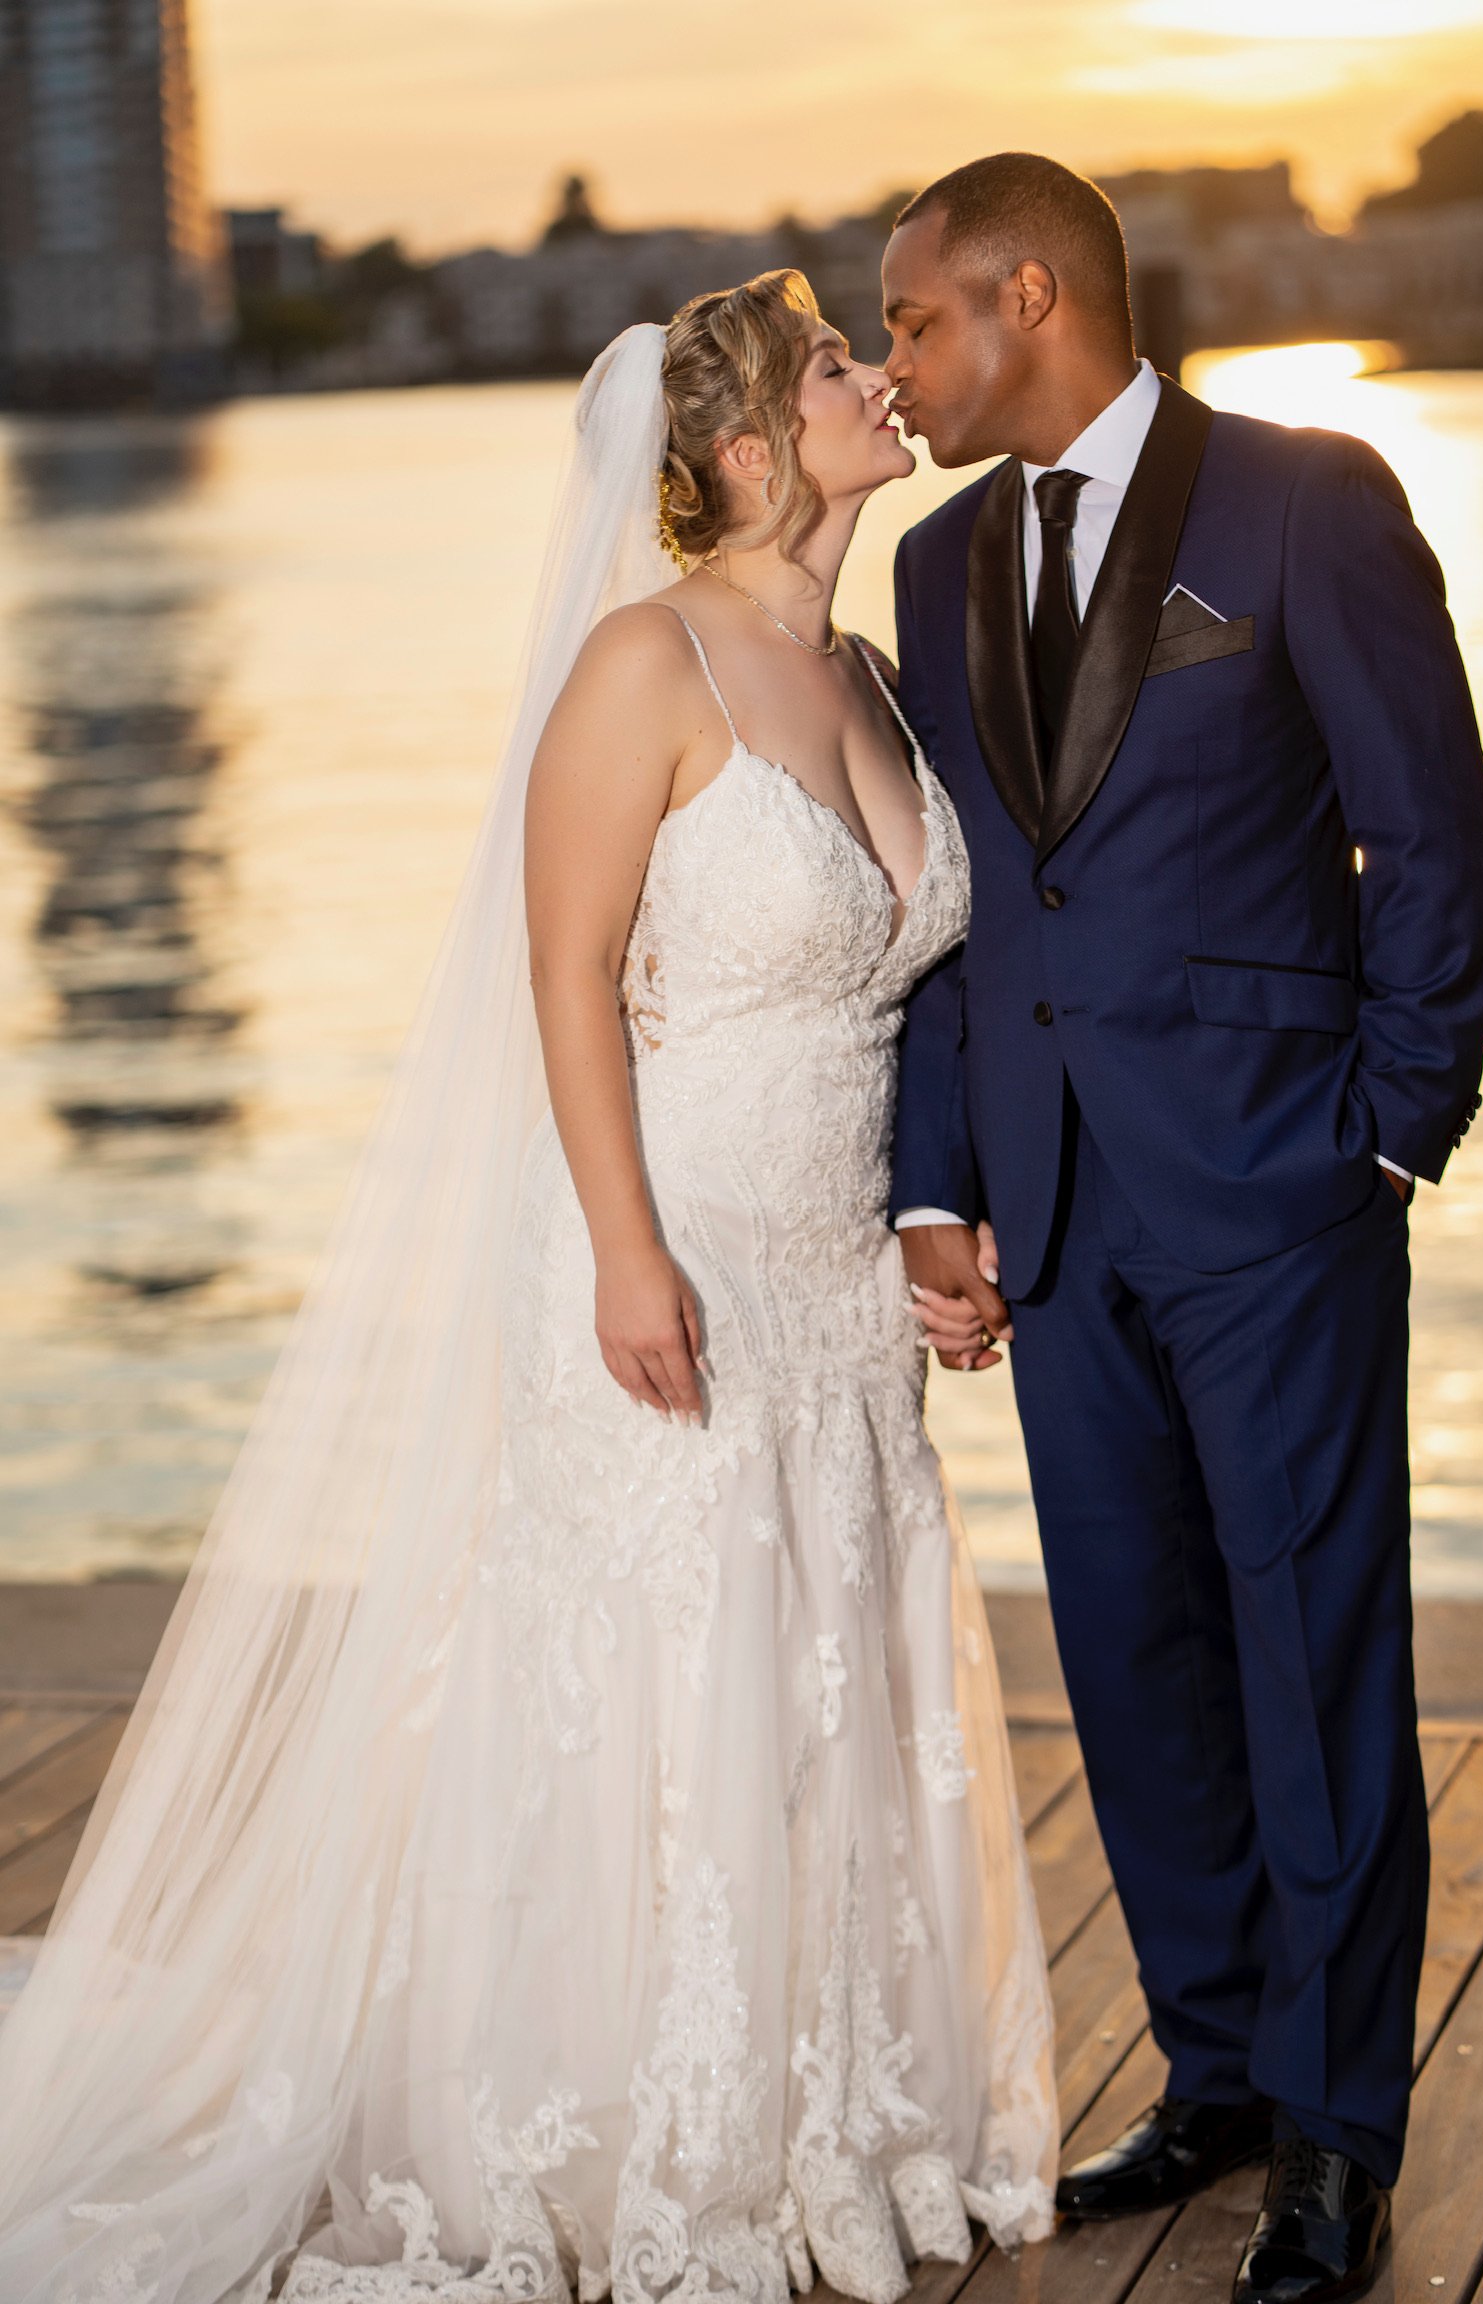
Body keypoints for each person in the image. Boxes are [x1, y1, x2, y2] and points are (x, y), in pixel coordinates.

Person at [0, 275, 1056, 2304]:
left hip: (840, 1276)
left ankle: (825, 2116)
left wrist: (945, 1218)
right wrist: (626, 1252)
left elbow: (920, 996)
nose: (881, 381)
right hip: (667, 1252)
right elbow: (563, 971)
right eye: (840, 369)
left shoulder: (867, 672)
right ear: (747, 450)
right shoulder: (643, 664)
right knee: (666, 1680)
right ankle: (626, 2128)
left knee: (824, 1675)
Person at [884, 152, 1483, 2304]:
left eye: (916, 321)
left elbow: (1431, 833)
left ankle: (1337, 2131)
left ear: (1029, 298)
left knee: (1312, 1661)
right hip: (1056, 1215)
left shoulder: (1306, 502)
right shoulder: (936, 563)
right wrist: (939, 1178)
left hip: (1279, 1193)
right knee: (1136, 1665)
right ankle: (1220, 2067)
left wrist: (1390, 1134)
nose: (896, 366)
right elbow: (960, 914)